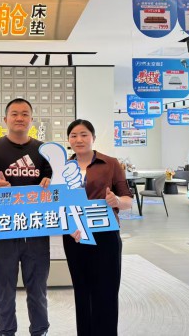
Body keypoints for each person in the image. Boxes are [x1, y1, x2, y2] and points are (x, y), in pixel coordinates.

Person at [0, 98, 52, 336]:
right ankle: (5, 331)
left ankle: (40, 330)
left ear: (31, 119)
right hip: (2, 229)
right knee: (4, 290)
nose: (20, 118)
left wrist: (49, 181)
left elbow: (52, 181)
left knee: (38, 289)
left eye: (25, 114)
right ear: (5, 119)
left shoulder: (42, 150)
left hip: (36, 228)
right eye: (14, 114)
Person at [63, 119, 133, 336]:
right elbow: (57, 203)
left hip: (105, 234)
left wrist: (116, 201)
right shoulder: (62, 168)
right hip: (74, 236)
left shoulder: (110, 163)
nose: (79, 139)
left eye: (84, 134)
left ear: (93, 137)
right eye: (74, 135)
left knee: (106, 291)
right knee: (82, 290)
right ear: (68, 140)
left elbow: (128, 200)